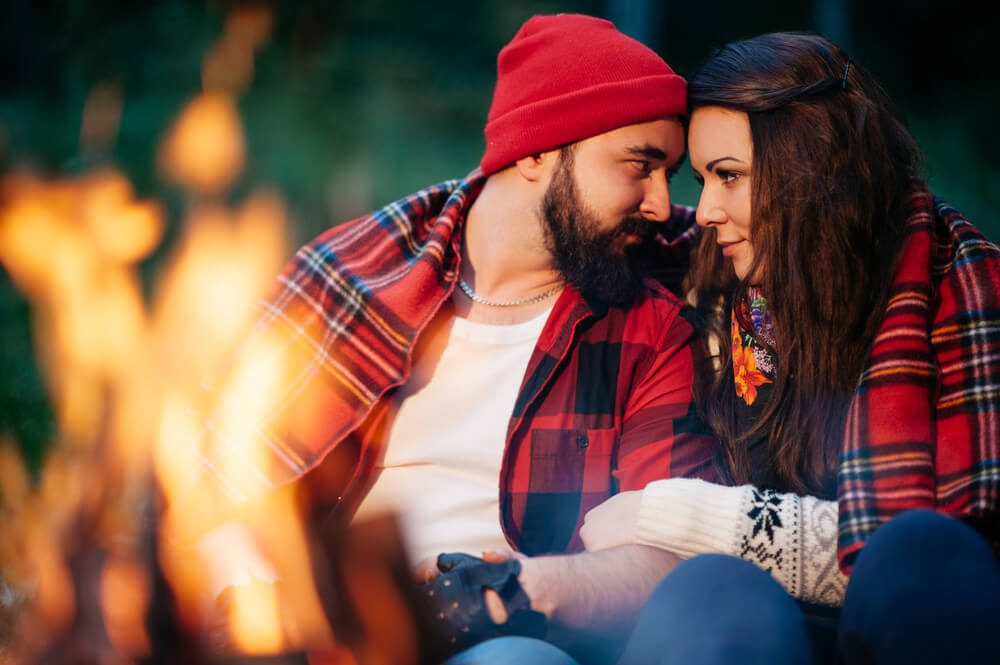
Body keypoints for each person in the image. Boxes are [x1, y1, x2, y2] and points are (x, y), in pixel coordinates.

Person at [191, 13, 718, 664]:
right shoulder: (353, 276)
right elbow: (216, 486)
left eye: (670, 172)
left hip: (511, 633)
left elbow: (660, 561)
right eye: (640, 166)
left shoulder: (652, 324)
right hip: (321, 628)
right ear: (535, 151)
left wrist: (501, 591)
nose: (663, 203)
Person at [580, 31, 1000, 664]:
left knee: (922, 552)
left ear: (815, 169)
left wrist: (689, 514)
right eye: (702, 179)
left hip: (910, 629)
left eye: (729, 176)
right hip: (753, 633)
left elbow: (938, 563)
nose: (706, 211)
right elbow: (556, 231)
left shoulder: (962, 295)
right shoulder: (715, 292)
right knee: (710, 590)